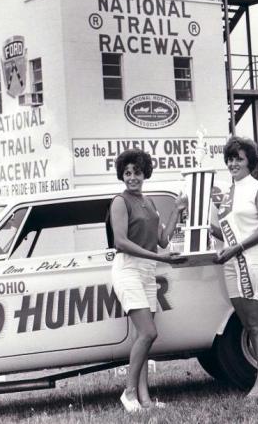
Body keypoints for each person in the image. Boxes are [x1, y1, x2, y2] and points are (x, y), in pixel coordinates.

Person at [108, 149, 187, 411]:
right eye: (127, 173)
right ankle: (128, 393)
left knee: (143, 336)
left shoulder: (149, 202)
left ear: (145, 174)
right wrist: (164, 259)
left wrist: (177, 210)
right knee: (149, 332)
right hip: (128, 269)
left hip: (148, 270)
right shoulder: (120, 201)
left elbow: (163, 241)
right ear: (122, 175)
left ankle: (145, 399)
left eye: (137, 172)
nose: (133, 178)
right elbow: (121, 242)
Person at [210, 136, 258, 398]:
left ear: (249, 160)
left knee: (257, 323)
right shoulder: (230, 192)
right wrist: (204, 229)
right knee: (246, 323)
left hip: (253, 261)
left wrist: (237, 249)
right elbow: (230, 234)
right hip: (232, 262)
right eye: (229, 158)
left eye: (238, 158)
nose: (233, 163)